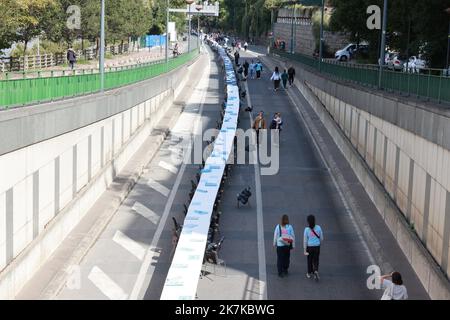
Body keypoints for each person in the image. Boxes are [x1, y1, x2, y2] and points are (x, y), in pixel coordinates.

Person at [303, 214, 323, 281]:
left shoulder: (306, 230)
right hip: (317, 246)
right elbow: (321, 238)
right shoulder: (319, 228)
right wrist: (319, 243)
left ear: (308, 221)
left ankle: (309, 273)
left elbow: (305, 240)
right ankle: (316, 271)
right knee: (316, 259)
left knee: (309, 260)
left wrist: (305, 249)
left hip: (310, 247)